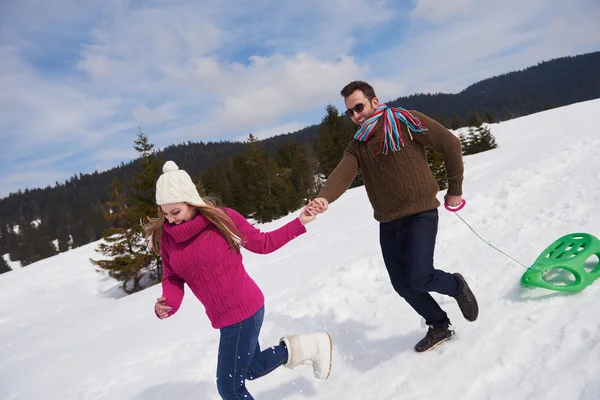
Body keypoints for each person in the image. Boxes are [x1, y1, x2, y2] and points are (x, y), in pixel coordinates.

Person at [308, 80, 478, 352]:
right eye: (349, 112)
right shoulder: (358, 144)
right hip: (388, 221)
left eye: (358, 107)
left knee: (420, 276)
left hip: (421, 212)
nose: (355, 116)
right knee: (402, 283)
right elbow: (342, 174)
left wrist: (455, 189)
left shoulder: (406, 122)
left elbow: (449, 143)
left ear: (375, 102)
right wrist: (323, 197)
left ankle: (456, 285)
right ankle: (439, 325)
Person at [143, 161, 333, 400]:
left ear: (192, 202)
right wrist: (168, 303)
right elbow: (173, 278)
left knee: (230, 388)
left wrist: (300, 222)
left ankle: (309, 346)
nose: (170, 220)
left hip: (244, 312)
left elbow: (263, 244)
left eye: (176, 212)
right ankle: (308, 346)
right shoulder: (168, 239)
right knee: (252, 368)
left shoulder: (222, 220)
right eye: (165, 213)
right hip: (225, 317)